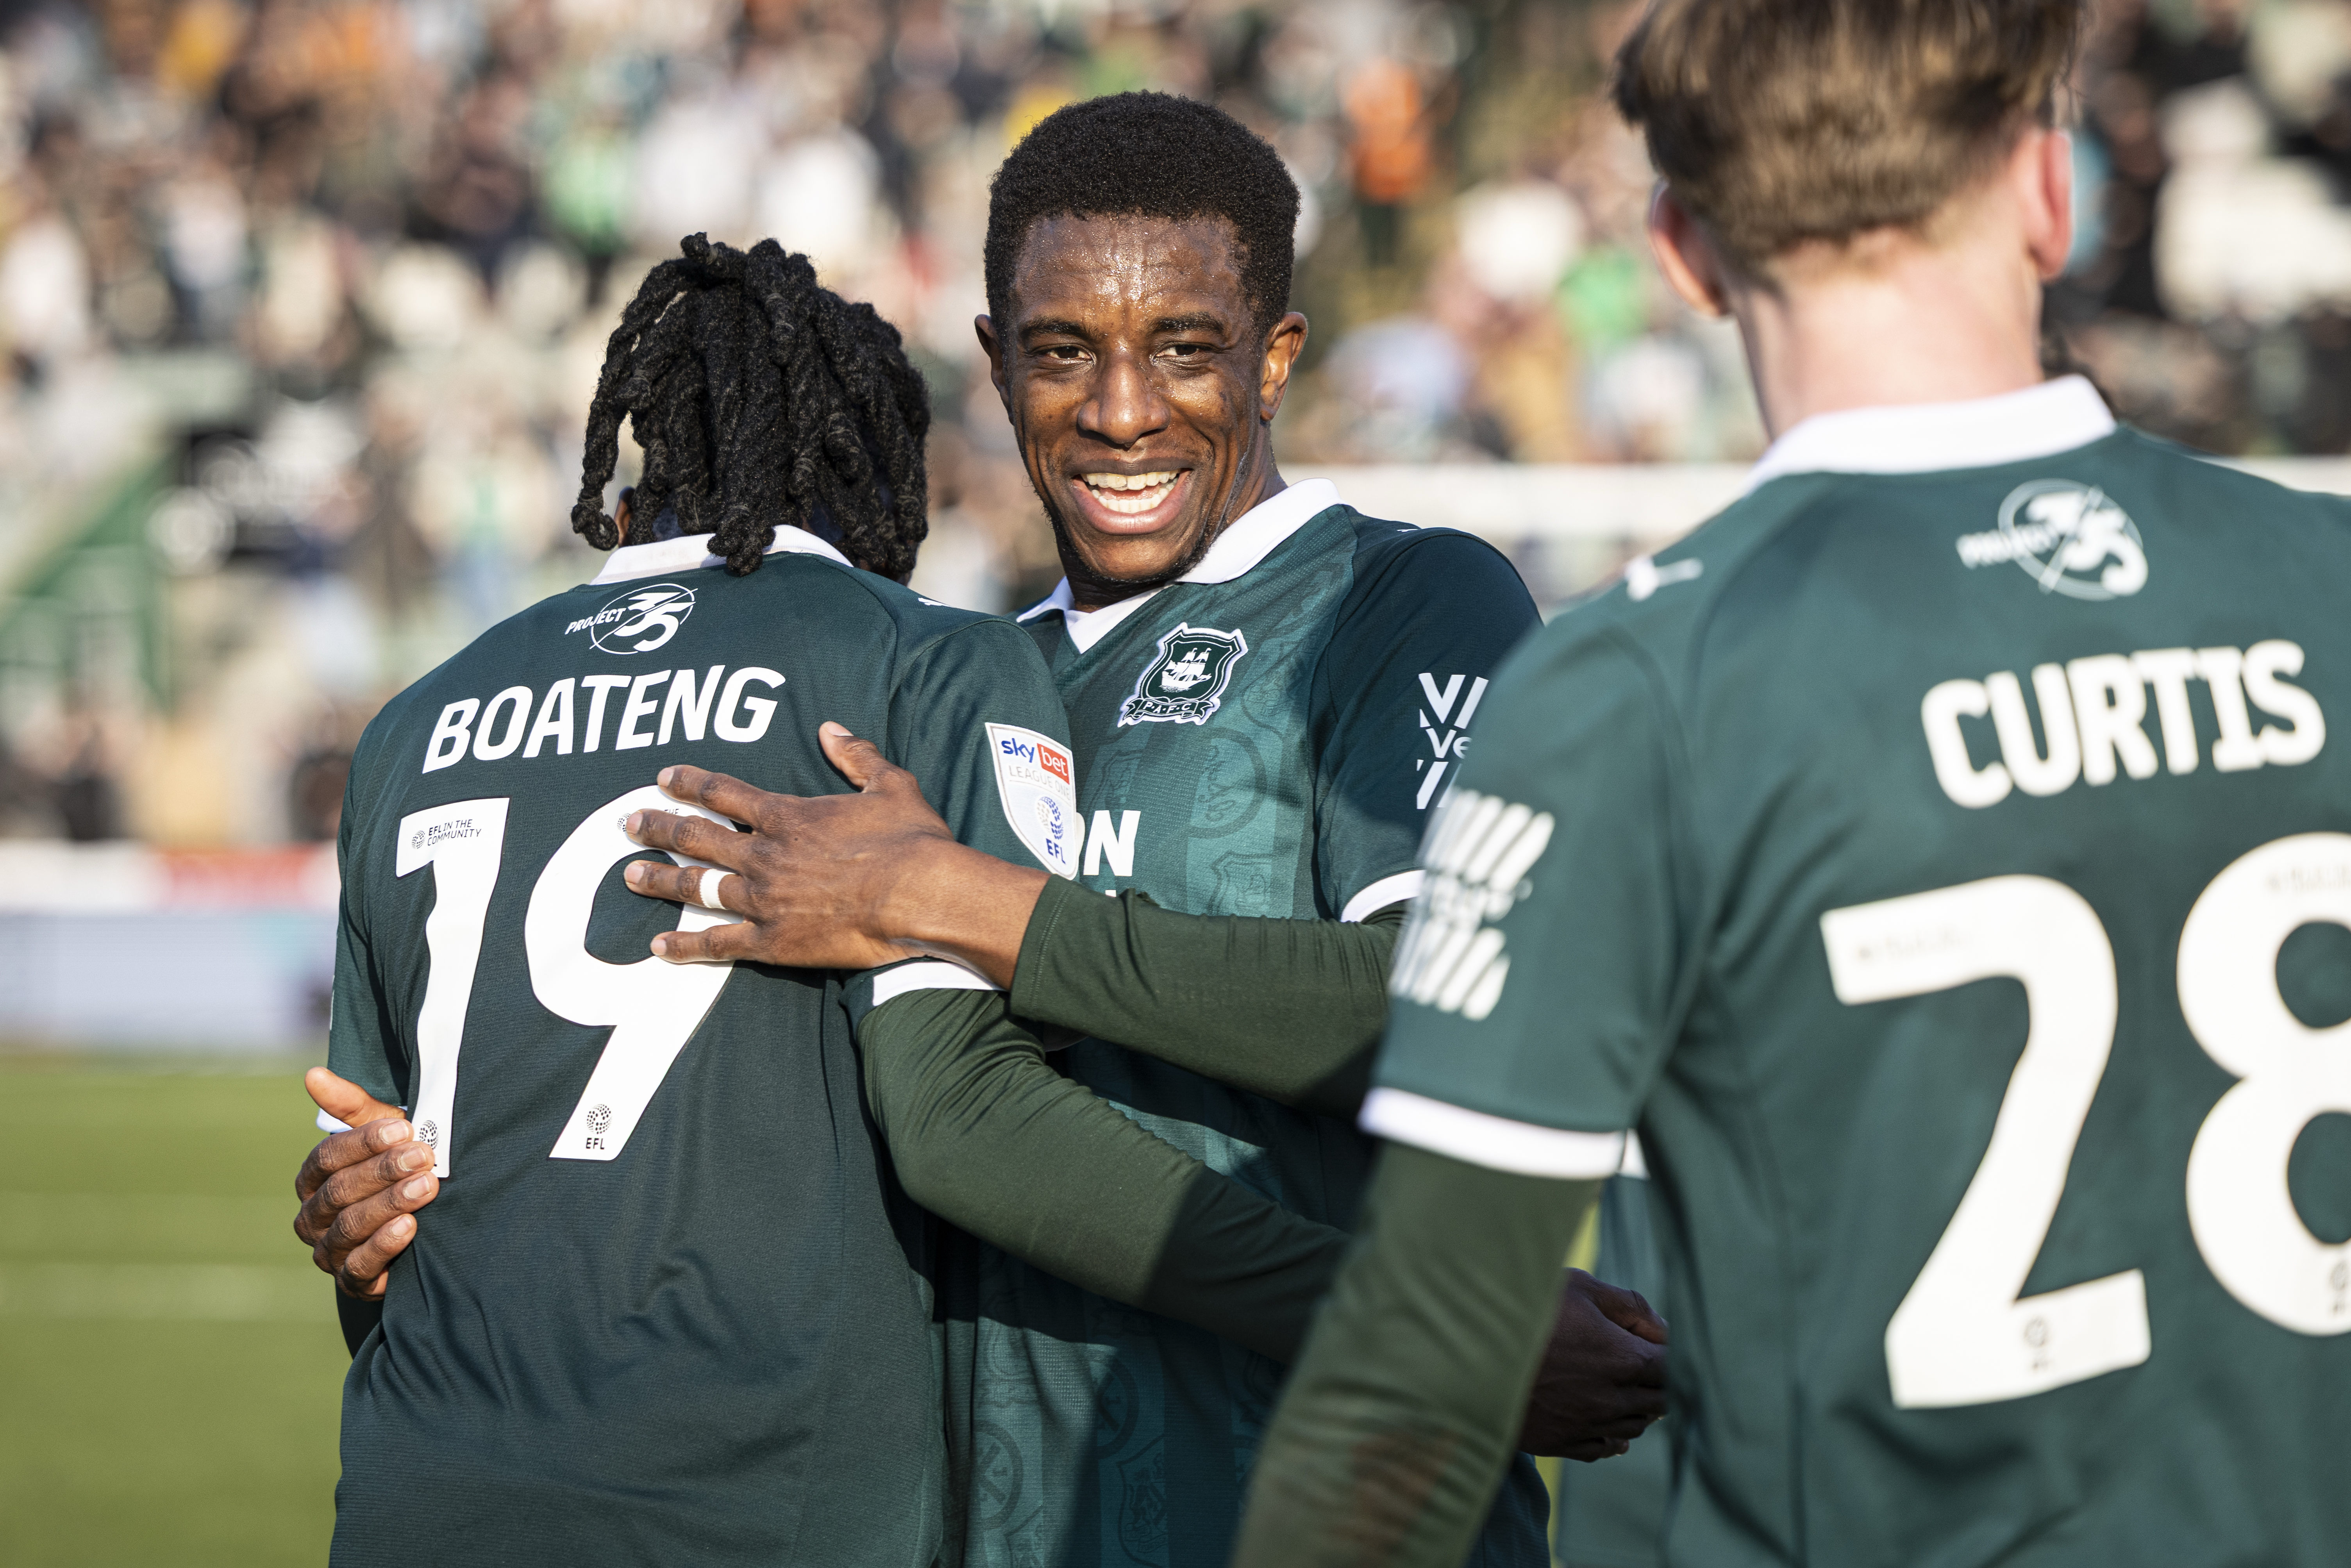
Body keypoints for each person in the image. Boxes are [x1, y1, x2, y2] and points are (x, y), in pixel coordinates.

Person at [1232, 0, 2351, 1563]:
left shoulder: (1632, 686)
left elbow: (1411, 1382)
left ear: (1683, 254)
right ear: (2048, 193)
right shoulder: (2325, 571)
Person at [600, 92, 1667, 1567]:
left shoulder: (1401, 598)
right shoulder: (948, 682)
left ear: (1275, 356)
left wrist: (961, 902)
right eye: (1062, 352)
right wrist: (413, 1199)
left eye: (1183, 348)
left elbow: (1461, 1015)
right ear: (994, 362)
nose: (1119, 412)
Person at [307, 232, 1386, 1566]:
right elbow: (965, 1126)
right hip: (759, 1497)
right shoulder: (924, 663)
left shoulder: (414, 724)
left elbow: (370, 1219)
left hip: (419, 1494)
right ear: (874, 475)